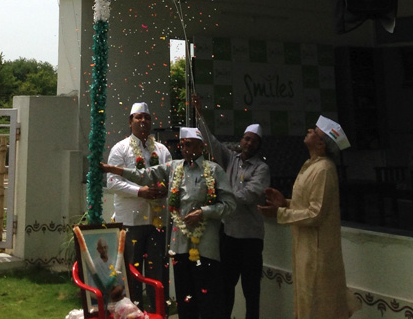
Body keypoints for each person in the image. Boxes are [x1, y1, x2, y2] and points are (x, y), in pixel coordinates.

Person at [103, 127, 237, 319]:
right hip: (179, 246)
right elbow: (144, 174)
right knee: (185, 299)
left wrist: (204, 212)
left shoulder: (214, 171)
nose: (184, 148)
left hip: (205, 248)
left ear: (200, 146)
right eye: (182, 145)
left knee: (208, 301)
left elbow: (230, 204)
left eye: (188, 144)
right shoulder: (174, 167)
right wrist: (113, 169)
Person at [258, 116, 361, 319]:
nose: (309, 131)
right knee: (307, 303)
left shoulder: (323, 170)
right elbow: (308, 205)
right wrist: (285, 203)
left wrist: (279, 213)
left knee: (319, 305)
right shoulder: (311, 165)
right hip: (306, 248)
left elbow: (316, 214)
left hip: (318, 252)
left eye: (315, 131)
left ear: (322, 144)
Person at [192, 95, 270, 319]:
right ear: (241, 139)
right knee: (225, 287)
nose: (249, 143)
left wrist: (222, 196)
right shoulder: (231, 158)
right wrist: (199, 113)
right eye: (246, 139)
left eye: (254, 141)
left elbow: (250, 195)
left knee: (251, 291)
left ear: (258, 146)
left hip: (251, 240)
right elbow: (210, 141)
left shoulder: (262, 168)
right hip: (229, 236)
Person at [106, 102, 172, 312]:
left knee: (156, 274)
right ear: (130, 121)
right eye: (138, 117)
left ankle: (157, 314)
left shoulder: (162, 150)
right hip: (131, 222)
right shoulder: (120, 148)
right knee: (131, 274)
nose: (143, 121)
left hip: (157, 221)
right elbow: (112, 182)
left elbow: (172, 178)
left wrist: (165, 190)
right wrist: (139, 191)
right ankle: (132, 314)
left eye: (147, 117)